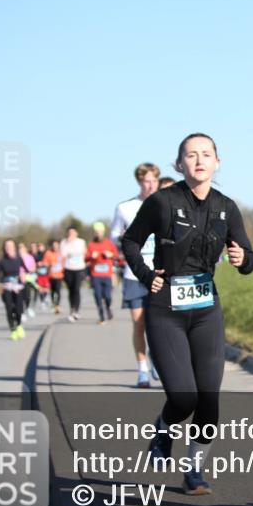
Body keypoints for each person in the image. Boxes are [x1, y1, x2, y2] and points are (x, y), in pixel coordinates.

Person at [122, 133, 253, 495]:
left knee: (209, 398)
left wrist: (243, 259)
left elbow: (248, 258)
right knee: (184, 398)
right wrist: (146, 275)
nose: (199, 160)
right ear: (179, 164)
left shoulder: (226, 207)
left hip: (206, 309)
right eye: (191, 155)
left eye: (206, 154)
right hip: (166, 309)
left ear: (217, 162)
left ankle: (194, 470)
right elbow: (130, 241)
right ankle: (164, 428)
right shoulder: (162, 202)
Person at [111, 162, 161, 387]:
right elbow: (113, 236)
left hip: (159, 274)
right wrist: (121, 238)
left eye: (154, 181)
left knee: (157, 324)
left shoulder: (165, 205)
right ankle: (142, 370)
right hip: (134, 275)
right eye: (146, 181)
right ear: (139, 182)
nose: (150, 185)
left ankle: (157, 358)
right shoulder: (125, 208)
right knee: (139, 324)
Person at [86, 221, 118, 325]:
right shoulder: (91, 244)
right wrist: (91, 256)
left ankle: (108, 308)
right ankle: (101, 316)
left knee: (108, 296)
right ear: (94, 233)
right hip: (95, 275)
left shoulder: (108, 243)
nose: (98, 234)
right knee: (97, 295)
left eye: (100, 232)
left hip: (107, 275)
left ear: (103, 232)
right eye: (96, 232)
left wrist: (110, 254)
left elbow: (116, 255)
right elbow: (85, 258)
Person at [0, 239, 27, 341]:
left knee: (18, 309)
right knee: (9, 308)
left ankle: (19, 325)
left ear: (14, 247)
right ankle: (13, 330)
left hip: (18, 287)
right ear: (4, 248)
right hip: (6, 287)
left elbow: (25, 270)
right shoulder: (2, 261)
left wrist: (23, 276)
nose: (8, 248)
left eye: (10, 246)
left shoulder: (19, 259)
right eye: (6, 246)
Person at [60, 226, 87, 322]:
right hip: (68, 269)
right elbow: (63, 255)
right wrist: (68, 243)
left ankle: (76, 310)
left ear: (76, 233)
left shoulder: (81, 242)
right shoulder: (64, 242)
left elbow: (84, 253)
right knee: (70, 290)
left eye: (73, 232)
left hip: (79, 268)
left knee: (76, 289)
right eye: (69, 233)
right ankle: (72, 308)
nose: (71, 234)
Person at [43, 239, 64, 314]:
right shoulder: (48, 253)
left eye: (56, 245)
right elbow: (45, 263)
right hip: (51, 275)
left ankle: (57, 305)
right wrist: (49, 265)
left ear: (59, 245)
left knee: (58, 290)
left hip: (59, 275)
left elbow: (65, 262)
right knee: (52, 291)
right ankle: (53, 303)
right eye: (54, 245)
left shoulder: (62, 253)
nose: (55, 247)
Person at [18, 242, 37, 319]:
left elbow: (34, 267)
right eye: (19, 248)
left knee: (27, 295)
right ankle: (22, 313)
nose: (20, 249)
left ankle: (28, 307)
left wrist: (30, 270)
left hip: (28, 278)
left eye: (22, 248)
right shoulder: (16, 258)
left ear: (25, 249)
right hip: (18, 278)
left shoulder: (30, 257)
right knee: (20, 296)